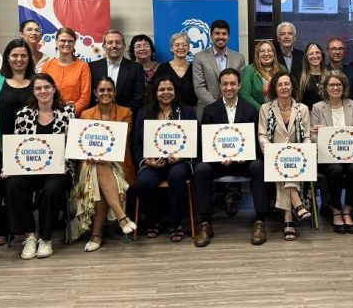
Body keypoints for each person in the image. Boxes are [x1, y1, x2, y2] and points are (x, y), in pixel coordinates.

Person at [194, 68, 269, 247]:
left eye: (233, 84)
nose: (229, 87)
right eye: (225, 84)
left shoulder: (250, 109)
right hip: (218, 162)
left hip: (243, 161)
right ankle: (205, 223)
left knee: (259, 166)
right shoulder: (210, 110)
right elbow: (206, 142)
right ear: (220, 86)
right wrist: (217, 157)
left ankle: (260, 221)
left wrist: (246, 155)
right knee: (201, 169)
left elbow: (253, 140)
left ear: (239, 85)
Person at [6, 73, 75, 259]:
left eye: (47, 87)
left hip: (60, 169)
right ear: (33, 91)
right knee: (13, 183)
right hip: (30, 169)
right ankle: (29, 236)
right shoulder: (23, 115)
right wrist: (10, 167)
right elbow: (18, 147)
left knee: (52, 187)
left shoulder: (67, 113)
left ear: (54, 89)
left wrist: (66, 164)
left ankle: (45, 238)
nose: (43, 91)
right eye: (38, 88)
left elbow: (73, 145)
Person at [0, 39, 34, 246]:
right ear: (7, 58)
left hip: (28, 146)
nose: (19, 59)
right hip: (0, 143)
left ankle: (21, 228)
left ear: (29, 58)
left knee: (21, 187)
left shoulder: (36, 80)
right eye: (15, 55)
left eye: (23, 55)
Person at [71, 76, 136, 252]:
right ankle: (122, 217)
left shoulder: (125, 113)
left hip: (118, 163)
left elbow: (121, 142)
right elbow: (82, 144)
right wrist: (92, 154)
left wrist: (102, 156)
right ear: (95, 93)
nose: (105, 93)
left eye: (109, 90)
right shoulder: (85, 114)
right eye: (102, 90)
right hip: (89, 162)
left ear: (114, 93)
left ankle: (97, 234)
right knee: (97, 166)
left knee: (100, 172)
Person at [132, 75, 194, 242]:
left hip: (179, 161)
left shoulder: (187, 111)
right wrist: (147, 161)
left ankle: (176, 223)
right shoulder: (144, 113)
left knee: (178, 176)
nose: (166, 92)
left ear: (175, 91)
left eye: (169, 89)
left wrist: (182, 156)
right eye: (162, 89)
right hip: (153, 163)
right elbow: (137, 145)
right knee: (143, 183)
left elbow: (196, 141)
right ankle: (153, 221)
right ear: (155, 91)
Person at [258, 71, 312, 241]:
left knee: (288, 166)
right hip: (274, 154)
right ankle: (296, 205)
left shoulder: (302, 109)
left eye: (287, 84)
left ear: (292, 86)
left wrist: (306, 149)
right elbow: (262, 134)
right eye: (280, 84)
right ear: (275, 87)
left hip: (297, 157)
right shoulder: (265, 108)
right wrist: (268, 148)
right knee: (281, 165)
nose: (283, 87)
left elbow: (307, 136)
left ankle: (288, 218)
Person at [310, 71, 353, 234]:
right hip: (328, 157)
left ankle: (347, 209)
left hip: (351, 155)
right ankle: (335, 210)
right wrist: (319, 135)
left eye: (338, 85)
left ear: (344, 87)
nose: (335, 88)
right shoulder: (318, 107)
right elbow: (311, 137)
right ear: (325, 88)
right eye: (331, 85)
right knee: (336, 169)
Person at [193, 20, 246, 119]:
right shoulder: (199, 58)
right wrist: (218, 107)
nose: (221, 37)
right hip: (207, 111)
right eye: (217, 33)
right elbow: (199, 87)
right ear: (211, 36)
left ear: (228, 36)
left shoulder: (239, 58)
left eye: (224, 34)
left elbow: (240, 85)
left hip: (233, 112)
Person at [89, 29, 145, 114]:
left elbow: (139, 96)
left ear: (123, 46)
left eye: (118, 42)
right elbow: (90, 95)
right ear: (104, 46)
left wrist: (123, 113)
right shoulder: (92, 67)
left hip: (126, 117)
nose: (114, 45)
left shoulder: (136, 68)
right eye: (110, 42)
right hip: (97, 118)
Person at [41, 27, 91, 116]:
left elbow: (85, 96)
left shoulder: (83, 66)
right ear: (56, 42)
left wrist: (73, 110)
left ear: (74, 43)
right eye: (63, 40)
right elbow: (42, 91)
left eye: (70, 41)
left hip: (74, 117)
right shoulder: (47, 66)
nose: (66, 43)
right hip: (50, 115)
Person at [152, 33, 198, 108]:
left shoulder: (195, 69)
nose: (181, 47)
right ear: (171, 48)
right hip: (166, 113)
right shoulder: (163, 68)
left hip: (190, 114)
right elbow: (153, 91)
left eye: (184, 45)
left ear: (189, 48)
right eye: (177, 45)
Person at [240, 40, 281, 113]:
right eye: (262, 51)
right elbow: (245, 96)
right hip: (257, 114)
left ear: (274, 53)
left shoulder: (282, 69)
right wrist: (262, 110)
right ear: (257, 54)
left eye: (269, 50)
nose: (266, 54)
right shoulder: (249, 70)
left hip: (280, 114)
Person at [325, 37, 353, 103]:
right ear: (327, 52)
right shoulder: (322, 72)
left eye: (340, 49)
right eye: (334, 49)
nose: (337, 52)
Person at [297, 43, 328, 110]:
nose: (315, 56)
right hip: (307, 116)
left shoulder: (329, 76)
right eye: (311, 54)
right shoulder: (299, 78)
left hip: (326, 115)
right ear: (306, 58)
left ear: (322, 55)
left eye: (317, 52)